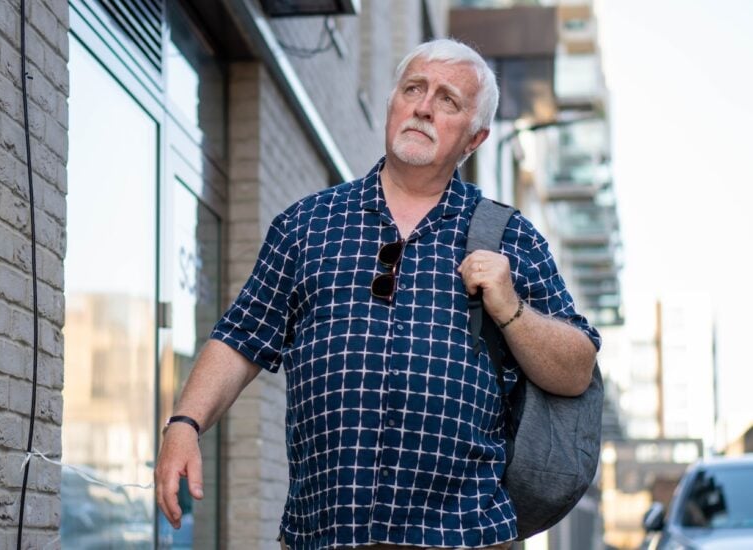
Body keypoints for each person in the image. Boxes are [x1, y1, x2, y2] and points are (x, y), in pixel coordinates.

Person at [154, 37, 601, 550]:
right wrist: (184, 424)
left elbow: (576, 371)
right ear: (392, 104)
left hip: (465, 535)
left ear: (474, 140)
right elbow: (241, 338)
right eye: (414, 88)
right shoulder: (307, 225)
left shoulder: (510, 236)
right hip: (326, 533)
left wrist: (511, 309)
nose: (424, 107)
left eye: (448, 100)